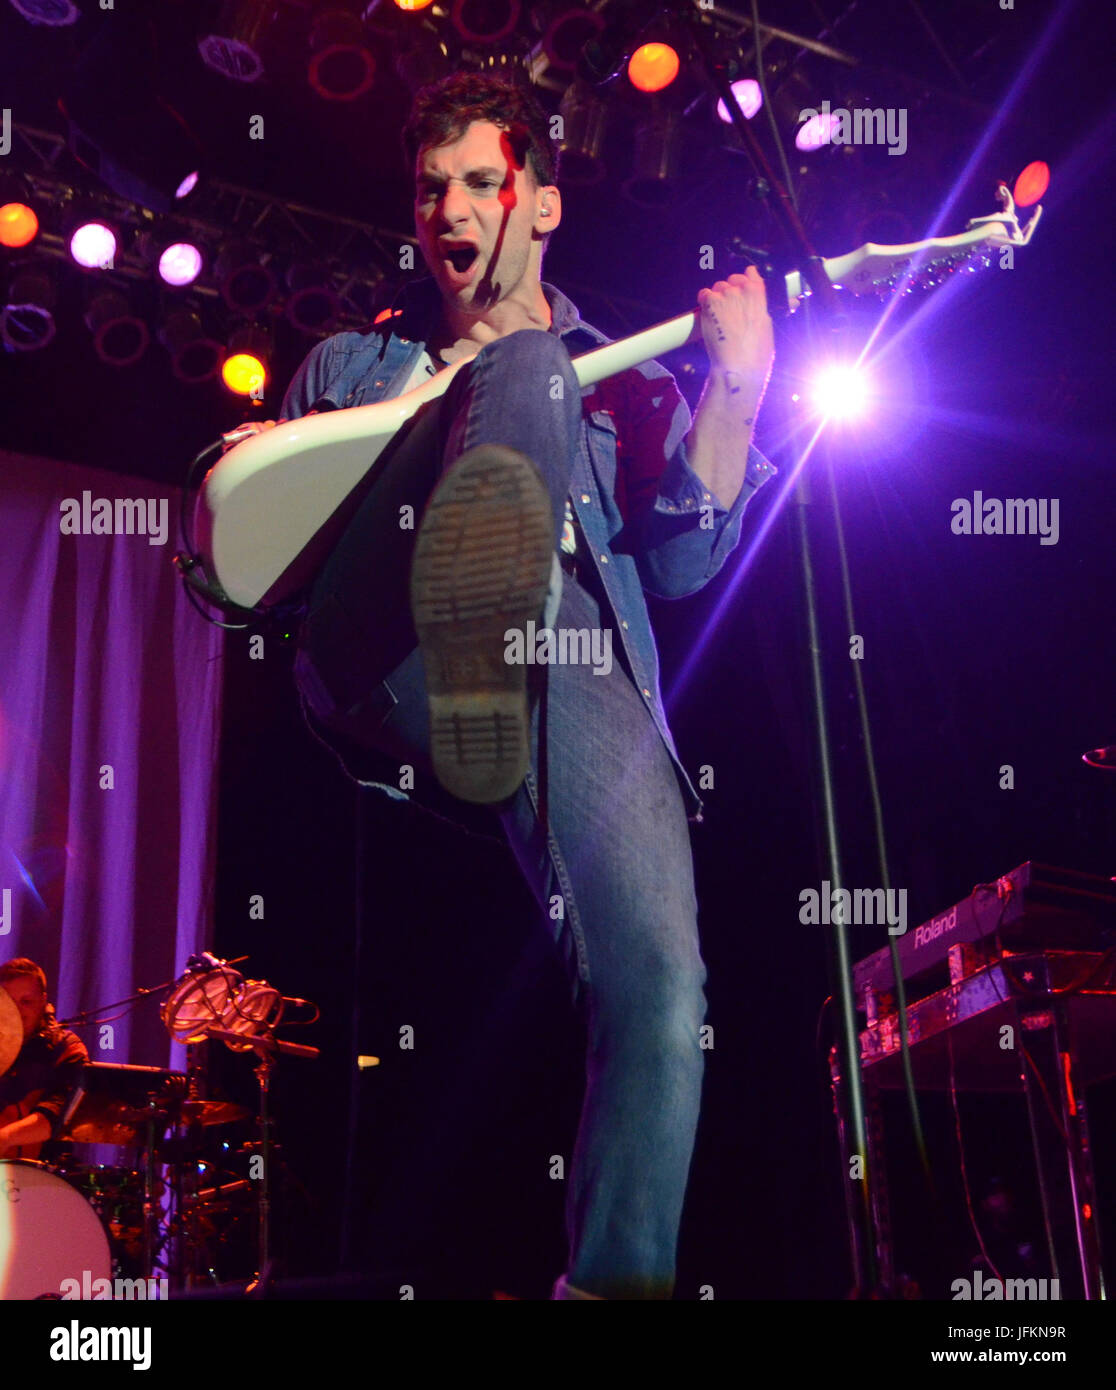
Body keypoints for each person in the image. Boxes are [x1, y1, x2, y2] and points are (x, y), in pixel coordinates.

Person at [277, 71, 777, 1299]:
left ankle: (613, 1288)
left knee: (666, 992)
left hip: (565, 661)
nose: (451, 206)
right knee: (533, 372)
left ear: (541, 205)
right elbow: (252, 550)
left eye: (482, 182)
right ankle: (470, 589)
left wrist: (740, 389)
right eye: (431, 186)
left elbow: (681, 558)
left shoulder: (624, 374)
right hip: (389, 655)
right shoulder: (353, 365)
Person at [0, 957, 88, 1159]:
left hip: (42, 1177)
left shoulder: (65, 1047)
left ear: (43, 1001)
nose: (16, 1012)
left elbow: (57, 1115)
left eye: (26, 1002)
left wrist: (5, 1138)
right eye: (9, 1002)